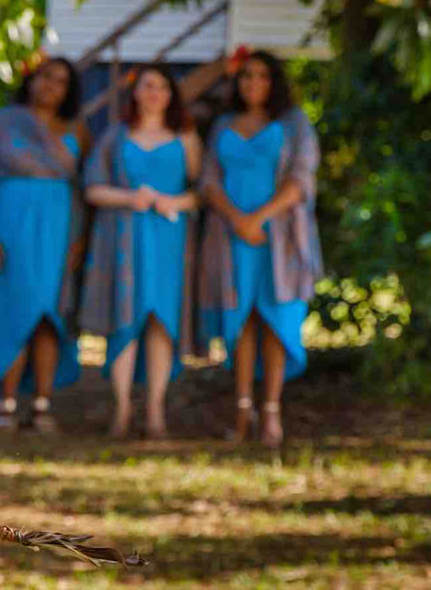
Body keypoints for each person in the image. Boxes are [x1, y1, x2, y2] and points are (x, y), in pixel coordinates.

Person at [198, 50, 322, 448]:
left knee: (276, 320)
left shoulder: (294, 123)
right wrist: (237, 219)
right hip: (232, 234)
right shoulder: (222, 125)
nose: (253, 83)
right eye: (246, 76)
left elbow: (302, 177)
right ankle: (241, 409)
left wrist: (259, 218)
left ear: (275, 81)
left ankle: (271, 412)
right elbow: (208, 180)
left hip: (279, 236)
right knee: (241, 321)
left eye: (262, 76)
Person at [79, 64, 201, 440]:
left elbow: (201, 193)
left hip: (168, 240)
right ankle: (120, 409)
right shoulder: (116, 137)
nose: (154, 93)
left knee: (161, 322)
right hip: (123, 238)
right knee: (125, 319)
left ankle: (155, 412)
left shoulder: (186, 138)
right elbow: (92, 189)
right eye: (147, 85)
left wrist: (172, 202)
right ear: (135, 91)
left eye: (162, 86)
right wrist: (132, 197)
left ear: (171, 94)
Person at [0, 58, 88, 433]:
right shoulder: (3, 124)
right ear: (31, 80)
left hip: (58, 231)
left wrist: (79, 240)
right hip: (10, 229)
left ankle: (41, 404)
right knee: (12, 310)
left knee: (49, 315)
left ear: (69, 91)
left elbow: (81, 191)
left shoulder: (77, 130)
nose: (52, 85)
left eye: (62, 81)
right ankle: (6, 400)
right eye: (46, 76)